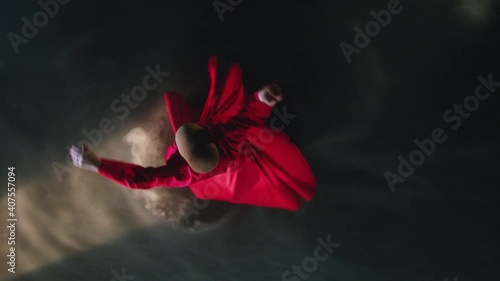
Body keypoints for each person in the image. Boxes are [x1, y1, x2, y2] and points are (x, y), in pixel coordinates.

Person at [70, 57, 317, 211]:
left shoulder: (180, 173)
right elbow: (246, 120)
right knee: (242, 125)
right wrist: (263, 100)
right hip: (228, 160)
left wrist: (97, 165)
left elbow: (139, 178)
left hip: (219, 175)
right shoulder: (225, 139)